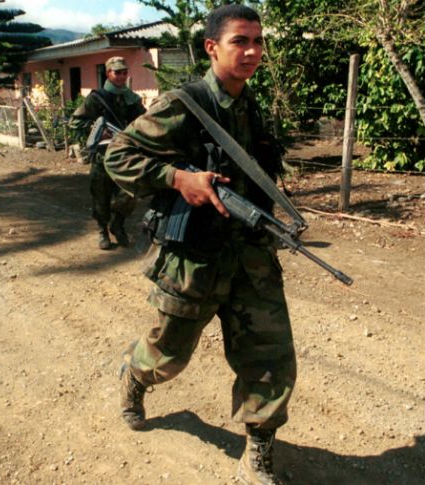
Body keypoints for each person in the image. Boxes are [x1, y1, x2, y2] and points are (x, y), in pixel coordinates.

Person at [104, 5, 294, 485]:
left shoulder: (251, 105)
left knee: (270, 359)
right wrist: (177, 178)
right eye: (240, 41)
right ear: (212, 47)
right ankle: (135, 375)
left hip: (252, 258)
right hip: (194, 259)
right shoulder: (185, 105)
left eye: (258, 40)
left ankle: (258, 450)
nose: (252, 51)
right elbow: (118, 157)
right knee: (167, 357)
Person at [69, 56, 146, 250]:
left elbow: (144, 122)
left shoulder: (132, 99)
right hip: (102, 155)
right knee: (101, 196)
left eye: (124, 72)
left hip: (126, 154)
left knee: (130, 192)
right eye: (117, 72)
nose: (121, 76)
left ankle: (117, 224)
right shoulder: (97, 98)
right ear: (108, 73)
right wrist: (96, 130)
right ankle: (102, 230)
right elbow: (75, 122)